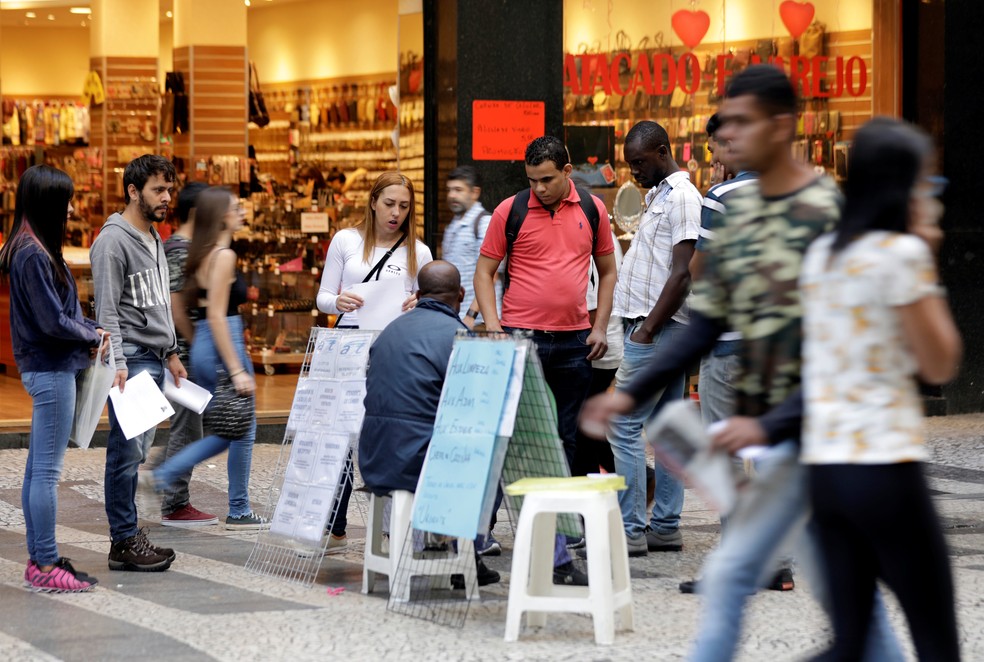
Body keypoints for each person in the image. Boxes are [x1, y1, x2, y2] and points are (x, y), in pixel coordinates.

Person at [580, 66, 902, 661]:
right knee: (753, 577)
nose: (723, 137)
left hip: (810, 415)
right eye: (722, 125)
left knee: (851, 596)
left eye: (738, 123)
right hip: (764, 396)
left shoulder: (804, 205)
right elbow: (709, 312)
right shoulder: (757, 200)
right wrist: (633, 388)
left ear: (781, 126)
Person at [796, 118, 961, 660]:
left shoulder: (822, 255)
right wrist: (927, 255)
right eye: (926, 184)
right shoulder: (901, 256)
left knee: (848, 646)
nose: (930, 197)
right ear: (903, 186)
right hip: (886, 471)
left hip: (827, 474)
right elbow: (939, 363)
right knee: (936, 641)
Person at [475, 135, 616, 577]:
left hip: (575, 341)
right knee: (506, 436)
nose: (539, 188)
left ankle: (564, 528)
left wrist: (599, 326)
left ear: (568, 172)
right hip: (520, 337)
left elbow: (609, 270)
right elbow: (484, 271)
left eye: (547, 179)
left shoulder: (592, 210)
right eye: (532, 180)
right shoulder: (509, 210)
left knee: (567, 438)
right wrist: (495, 327)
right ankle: (484, 530)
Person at [358, 260, 498, 586]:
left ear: (418, 294)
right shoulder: (457, 336)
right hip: (415, 463)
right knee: (487, 453)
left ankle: (460, 551)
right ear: (461, 294)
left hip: (374, 457)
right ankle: (468, 553)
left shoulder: (390, 330)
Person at [316, 171, 433, 553]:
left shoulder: (419, 251)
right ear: (372, 202)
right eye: (389, 204)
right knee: (339, 435)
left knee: (385, 434)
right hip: (347, 347)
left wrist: (418, 303)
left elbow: (428, 305)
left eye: (403, 206)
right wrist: (339, 301)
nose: (395, 213)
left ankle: (388, 527)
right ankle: (334, 524)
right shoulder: (346, 240)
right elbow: (323, 296)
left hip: (391, 352)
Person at [139, 187, 268, 531]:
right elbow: (216, 315)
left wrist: (201, 349)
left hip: (208, 343)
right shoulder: (223, 255)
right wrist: (237, 368)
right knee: (238, 428)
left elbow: (182, 304)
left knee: (231, 427)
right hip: (223, 338)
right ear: (220, 215)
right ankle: (230, 505)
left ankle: (168, 476)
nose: (242, 213)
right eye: (236, 208)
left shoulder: (202, 253)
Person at [0, 165, 102, 592]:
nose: (73, 208)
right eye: (67, 200)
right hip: (50, 369)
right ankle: (43, 565)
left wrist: (88, 327)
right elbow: (51, 320)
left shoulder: (29, 246)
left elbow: (57, 317)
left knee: (37, 471)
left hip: (44, 367)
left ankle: (40, 558)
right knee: (45, 472)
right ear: (48, 203)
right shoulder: (32, 253)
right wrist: (91, 333)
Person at [605, 120, 702, 557]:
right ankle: (664, 525)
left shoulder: (682, 196)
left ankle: (629, 530)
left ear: (662, 151)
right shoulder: (658, 193)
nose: (633, 172)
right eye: (629, 164)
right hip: (651, 326)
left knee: (621, 423)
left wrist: (645, 330)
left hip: (657, 326)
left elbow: (682, 273)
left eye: (639, 162)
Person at [90, 154, 185, 572]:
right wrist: (119, 363)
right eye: (157, 190)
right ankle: (123, 540)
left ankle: (128, 535)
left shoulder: (155, 237)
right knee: (125, 454)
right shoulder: (113, 240)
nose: (166, 198)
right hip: (132, 362)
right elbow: (106, 311)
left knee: (138, 451)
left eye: (169, 189)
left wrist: (172, 351)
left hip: (154, 359)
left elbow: (158, 302)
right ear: (133, 190)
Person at [157, 182, 217, 527]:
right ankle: (174, 501)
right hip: (182, 354)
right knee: (187, 427)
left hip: (182, 351)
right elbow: (178, 309)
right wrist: (196, 345)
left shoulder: (184, 247)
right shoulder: (180, 249)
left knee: (189, 425)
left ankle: (161, 480)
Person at [442, 165, 501, 327]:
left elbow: (491, 275)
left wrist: (471, 315)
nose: (452, 195)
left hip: (479, 320)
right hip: (457, 317)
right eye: (449, 190)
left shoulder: (484, 223)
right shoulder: (454, 224)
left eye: (458, 190)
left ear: (475, 192)